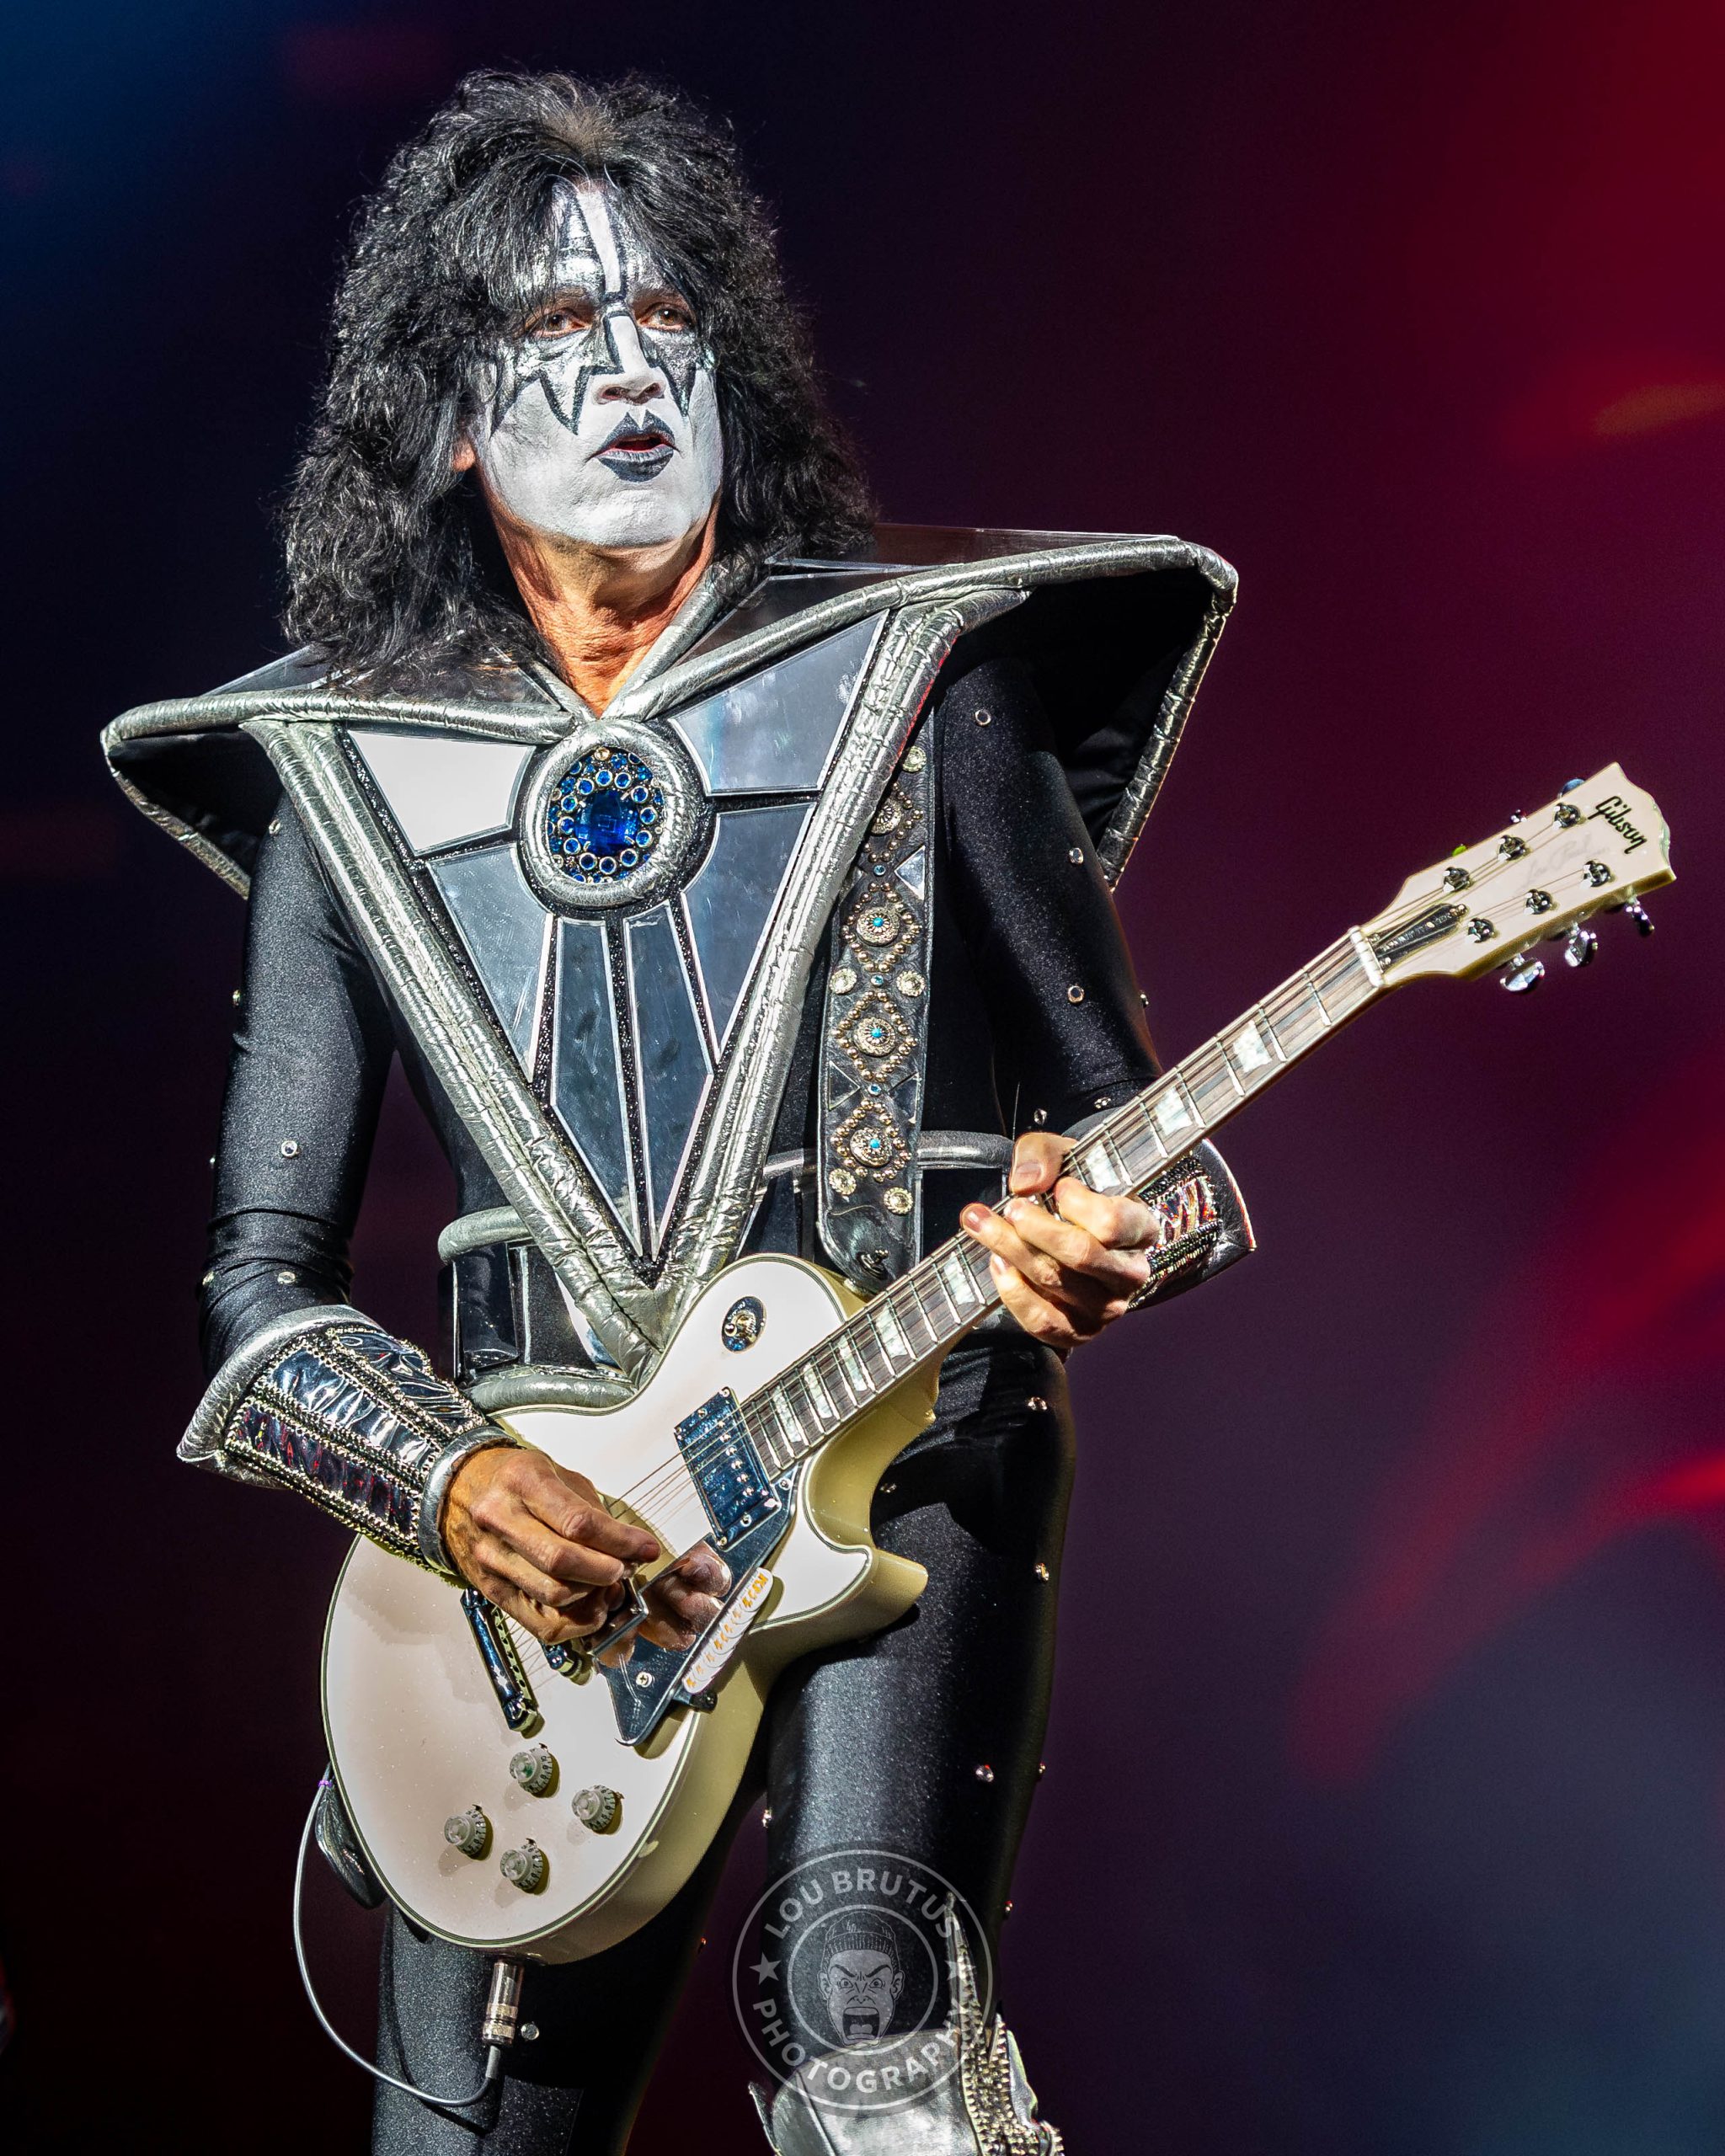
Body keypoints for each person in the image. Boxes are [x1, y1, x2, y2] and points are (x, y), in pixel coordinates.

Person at [104, 71, 1252, 2156]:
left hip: (905, 1467)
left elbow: (1147, 1138)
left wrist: (1115, 1230)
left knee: (880, 2086)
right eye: (558, 326)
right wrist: (453, 1481)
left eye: (666, 315)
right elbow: (260, 1298)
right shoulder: (341, 772)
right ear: (452, 419)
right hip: (545, 1586)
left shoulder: (923, 674)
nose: (631, 366)